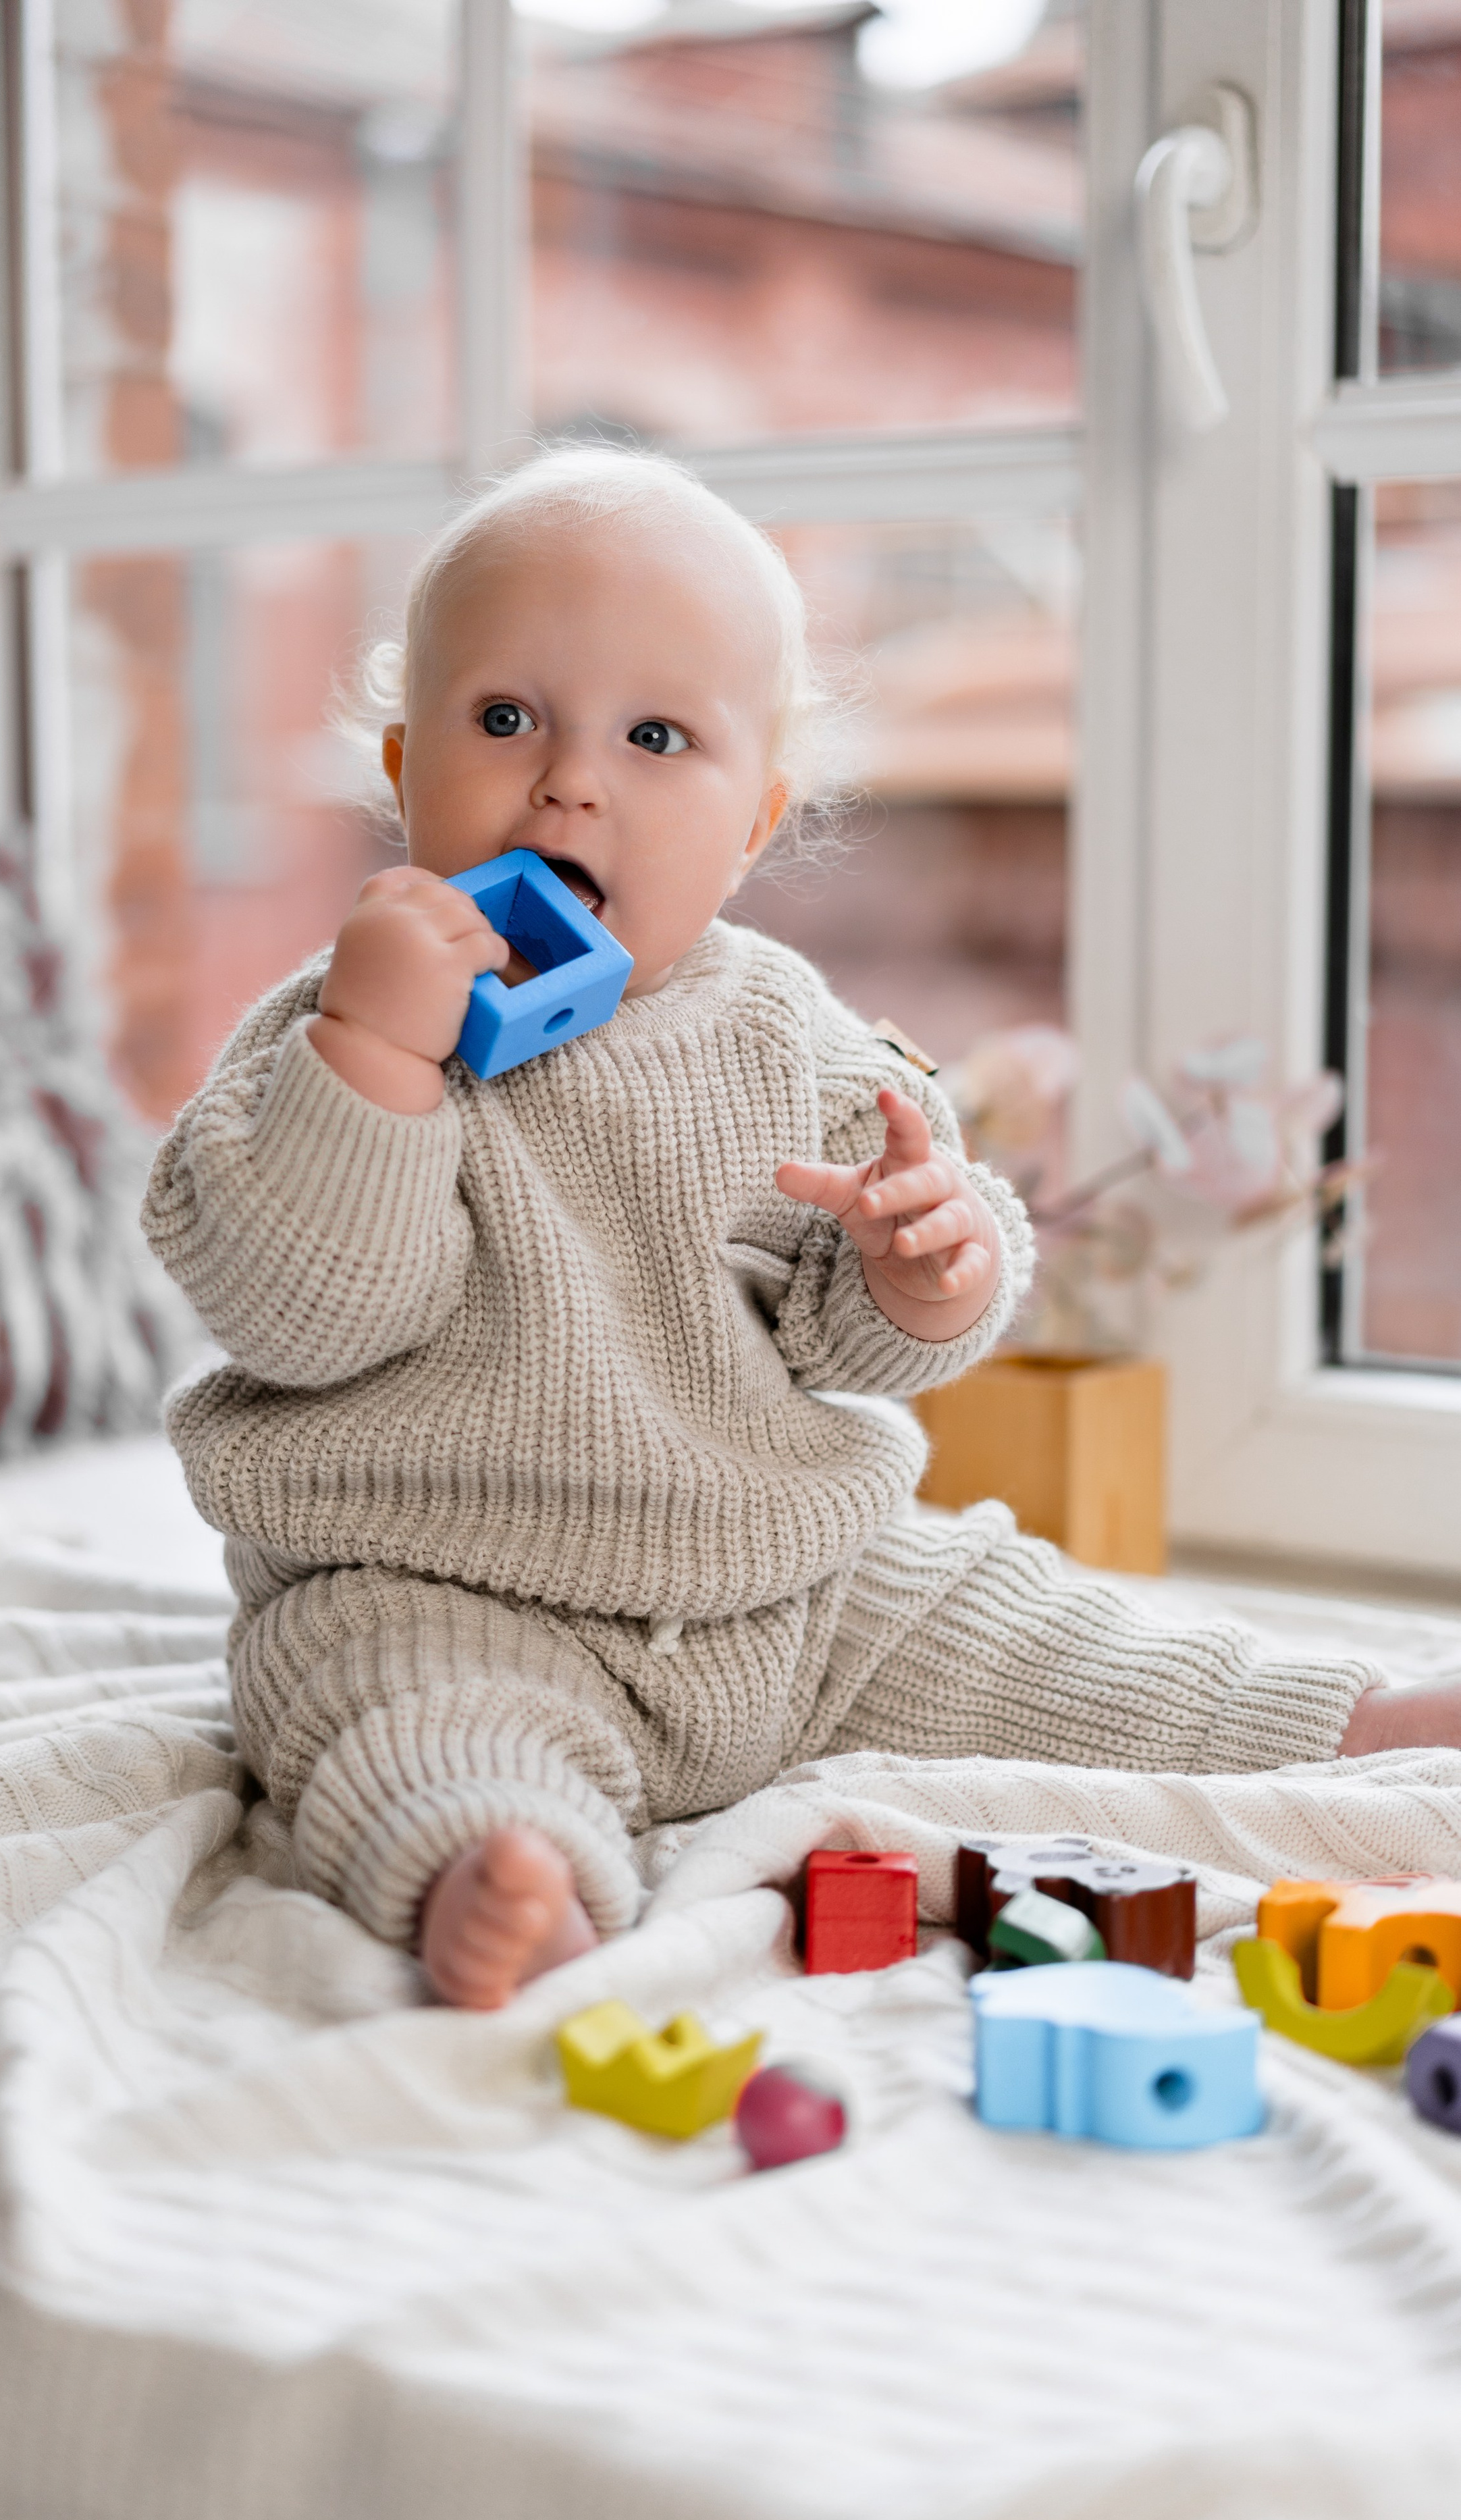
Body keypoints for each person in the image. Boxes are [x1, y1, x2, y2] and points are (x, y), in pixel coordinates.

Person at [144, 446, 1454, 2011]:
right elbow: (304, 1313)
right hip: (446, 1585)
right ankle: (504, 1875)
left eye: (654, 736)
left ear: (752, 820)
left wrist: (924, 1268)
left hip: (789, 1587)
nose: (570, 779)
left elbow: (851, 1335)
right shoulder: (328, 1027)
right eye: (505, 721)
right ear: (403, 765)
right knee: (395, 1717)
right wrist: (374, 1061)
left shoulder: (788, 1034)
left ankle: (1344, 1717)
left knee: (1021, 1614)